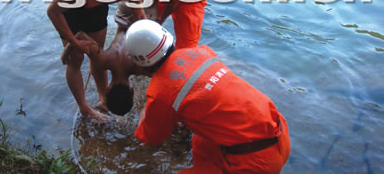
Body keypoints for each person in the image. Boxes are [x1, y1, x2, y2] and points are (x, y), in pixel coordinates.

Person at [124, 20, 291, 174]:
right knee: (199, 139)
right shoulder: (203, 51)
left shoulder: (160, 91)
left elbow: (150, 137)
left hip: (255, 162)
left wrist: (145, 112)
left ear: (141, 63)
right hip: (280, 135)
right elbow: (203, 92)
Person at [47, 0, 146, 118]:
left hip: (96, 10)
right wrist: (74, 42)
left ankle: (103, 97)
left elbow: (140, 18)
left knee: (97, 53)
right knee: (75, 59)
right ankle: (84, 107)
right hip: (71, 11)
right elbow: (53, 12)